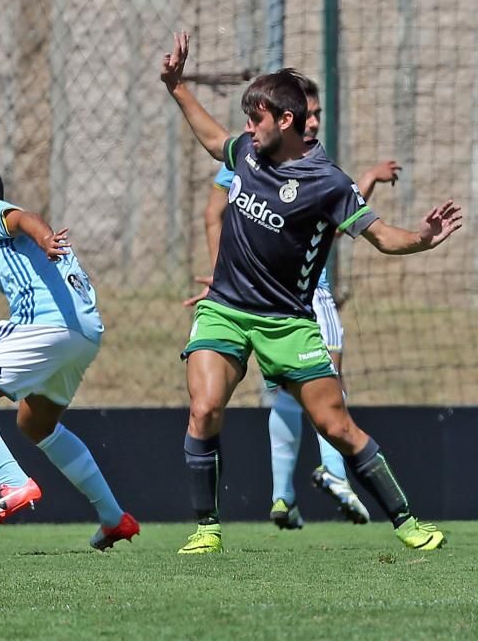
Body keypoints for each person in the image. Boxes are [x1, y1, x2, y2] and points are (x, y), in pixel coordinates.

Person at [161, 31, 460, 553]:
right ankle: (207, 529)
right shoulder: (248, 155)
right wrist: (177, 86)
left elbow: (383, 237)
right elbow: (213, 140)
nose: (247, 129)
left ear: (287, 121)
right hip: (226, 310)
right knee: (204, 409)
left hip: (288, 320)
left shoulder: (328, 183)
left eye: (256, 119)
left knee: (337, 426)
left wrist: (423, 238)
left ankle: (407, 521)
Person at [190, 75, 401, 530]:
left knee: (314, 400)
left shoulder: (323, 176)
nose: (315, 121)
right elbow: (215, 208)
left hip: (294, 304)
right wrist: (223, 274)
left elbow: (353, 218)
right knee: (309, 389)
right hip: (262, 302)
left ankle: (305, 489)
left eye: (319, 113)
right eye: (311, 112)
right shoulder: (249, 152)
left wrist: (377, 191)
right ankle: (311, 481)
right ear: (290, 117)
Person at [0, 156, 140, 550]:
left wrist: (43, 237)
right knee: (35, 423)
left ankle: (12, 480)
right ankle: (113, 518)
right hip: (83, 333)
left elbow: (24, 218)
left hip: (44, 325)